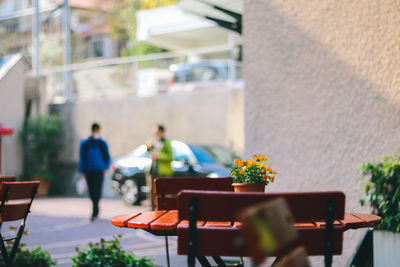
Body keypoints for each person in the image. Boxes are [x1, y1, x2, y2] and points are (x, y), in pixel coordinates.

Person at [79, 123, 111, 221]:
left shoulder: (102, 143)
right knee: (92, 191)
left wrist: (105, 167)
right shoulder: (85, 143)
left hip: (99, 171)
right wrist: (81, 171)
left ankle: (95, 210)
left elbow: (107, 157)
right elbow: (82, 157)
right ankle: (95, 207)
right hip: (89, 171)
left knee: (97, 190)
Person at [147, 124, 173, 210]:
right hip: (153, 169)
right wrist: (148, 147)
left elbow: (170, 156)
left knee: (164, 191)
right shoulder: (153, 141)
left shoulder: (166, 142)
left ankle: (164, 209)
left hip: (163, 171)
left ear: (161, 132)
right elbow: (149, 151)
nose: (154, 133)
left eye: (156, 131)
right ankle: (152, 208)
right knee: (152, 191)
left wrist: (159, 156)